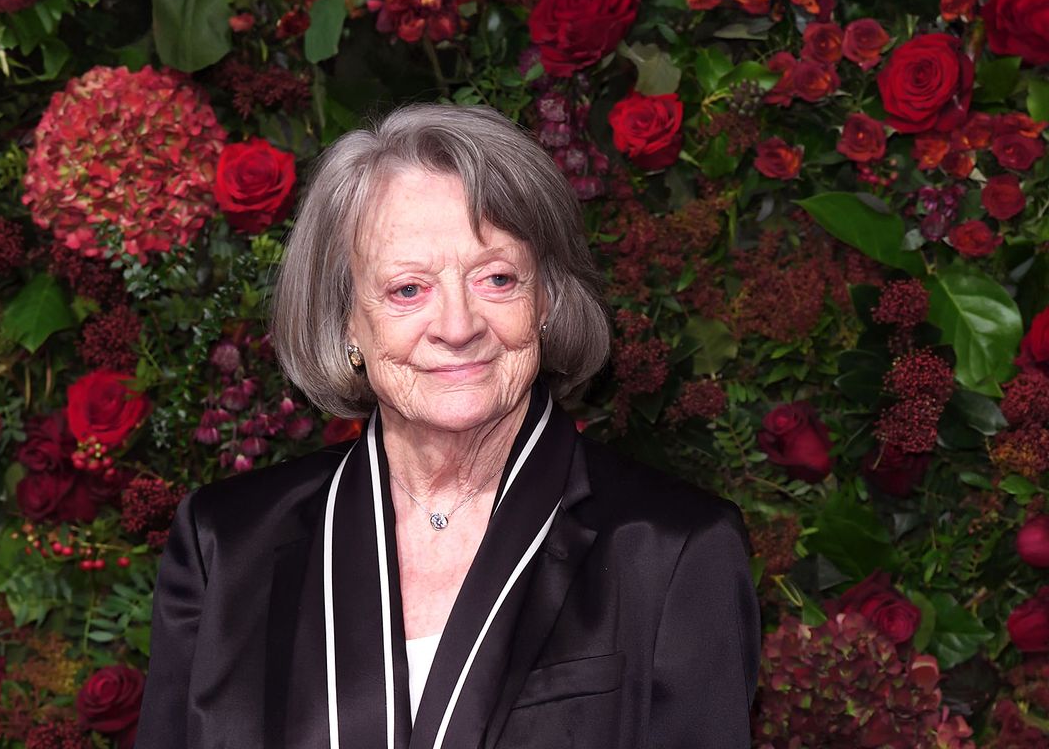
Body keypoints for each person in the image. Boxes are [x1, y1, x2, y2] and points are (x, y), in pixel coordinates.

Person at [135, 103, 760, 749]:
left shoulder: (675, 550)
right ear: (348, 321)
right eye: (408, 290)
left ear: (545, 299)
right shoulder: (224, 545)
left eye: (496, 279)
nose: (458, 326)